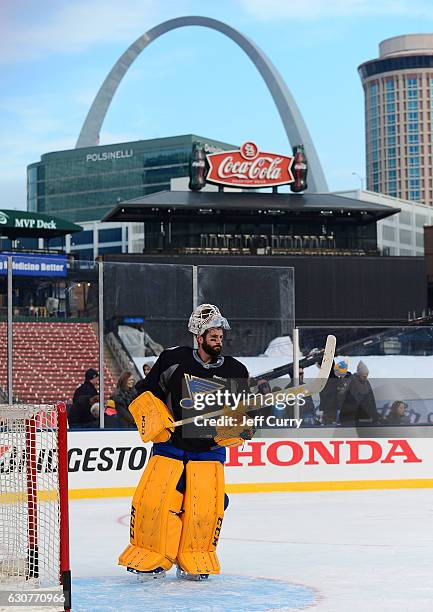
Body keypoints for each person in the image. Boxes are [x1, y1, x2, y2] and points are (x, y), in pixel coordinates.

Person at [119, 304, 251, 582]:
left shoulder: (236, 370)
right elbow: (146, 394)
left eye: (220, 335)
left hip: (209, 452)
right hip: (171, 446)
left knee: (205, 506)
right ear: (199, 337)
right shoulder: (173, 359)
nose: (218, 339)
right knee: (155, 500)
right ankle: (151, 556)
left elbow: (239, 413)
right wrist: (154, 420)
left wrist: (241, 428)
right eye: (212, 334)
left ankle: (194, 556)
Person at [339, 360, 381, 425]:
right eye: (364, 376)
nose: (365, 378)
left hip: (362, 416)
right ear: (359, 374)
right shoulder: (352, 382)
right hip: (351, 417)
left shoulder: (366, 383)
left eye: (367, 375)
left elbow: (371, 400)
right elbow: (357, 399)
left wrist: (375, 416)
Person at [319, 358, 352, 425]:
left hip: (340, 410)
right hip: (334, 409)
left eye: (336, 371)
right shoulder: (339, 380)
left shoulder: (346, 381)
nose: (335, 373)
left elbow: (341, 396)